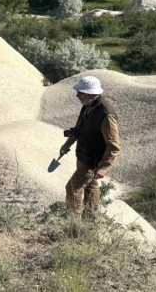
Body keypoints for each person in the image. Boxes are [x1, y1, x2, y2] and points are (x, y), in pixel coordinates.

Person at [59, 75, 121, 217]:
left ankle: (74, 224)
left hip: (92, 162)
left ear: (90, 93)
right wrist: (67, 143)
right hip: (83, 157)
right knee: (91, 188)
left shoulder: (106, 114)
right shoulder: (88, 106)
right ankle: (92, 218)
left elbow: (114, 145)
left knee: (73, 189)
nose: (77, 95)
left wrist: (104, 166)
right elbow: (79, 129)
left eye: (80, 92)